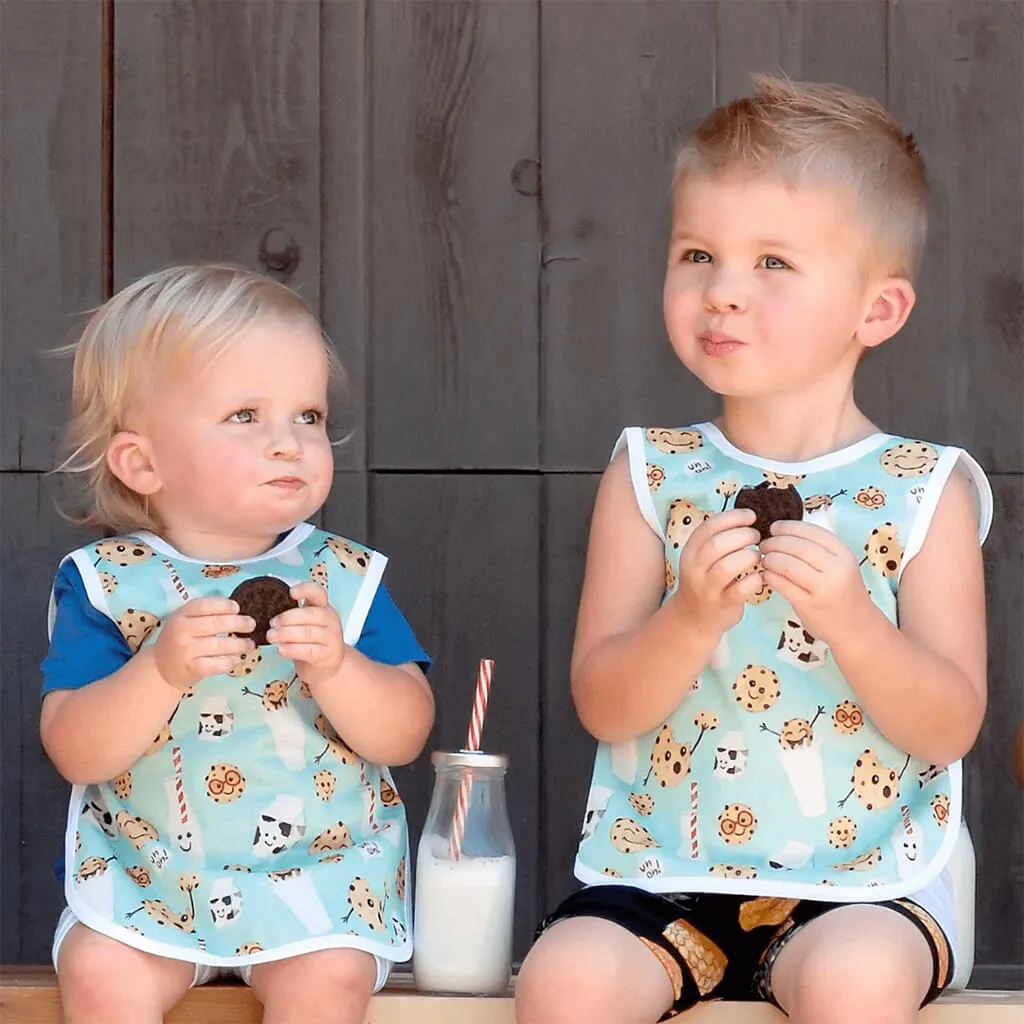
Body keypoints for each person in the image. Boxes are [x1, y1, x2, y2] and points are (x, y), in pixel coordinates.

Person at [516, 76, 991, 1024]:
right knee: (560, 982)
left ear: (877, 311)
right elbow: (605, 702)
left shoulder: (921, 489)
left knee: (855, 984)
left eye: (772, 262)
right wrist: (689, 618)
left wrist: (855, 620)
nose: (721, 290)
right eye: (697, 253)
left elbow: (949, 724)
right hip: (667, 876)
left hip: (866, 886)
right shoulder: (653, 474)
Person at [40, 264, 435, 1024]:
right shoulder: (110, 585)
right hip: (147, 878)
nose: (288, 443)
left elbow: (406, 732)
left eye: (309, 417)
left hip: (315, 878)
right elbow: (76, 749)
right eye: (246, 416)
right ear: (142, 461)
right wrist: (158, 668)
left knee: (327, 982)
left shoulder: (340, 580)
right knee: (99, 971)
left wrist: (338, 666)